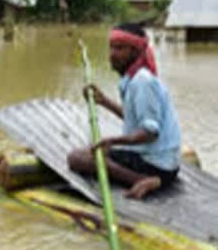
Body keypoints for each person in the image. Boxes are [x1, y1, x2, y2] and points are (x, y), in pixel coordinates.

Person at [67, 23, 181, 200]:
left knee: (77, 158)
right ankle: (150, 178)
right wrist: (104, 101)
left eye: (120, 48)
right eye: (111, 48)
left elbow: (150, 133)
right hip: (164, 163)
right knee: (90, 153)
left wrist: (113, 141)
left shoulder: (141, 82)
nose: (112, 54)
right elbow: (134, 120)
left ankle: (142, 179)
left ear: (135, 52)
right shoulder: (133, 79)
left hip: (157, 165)